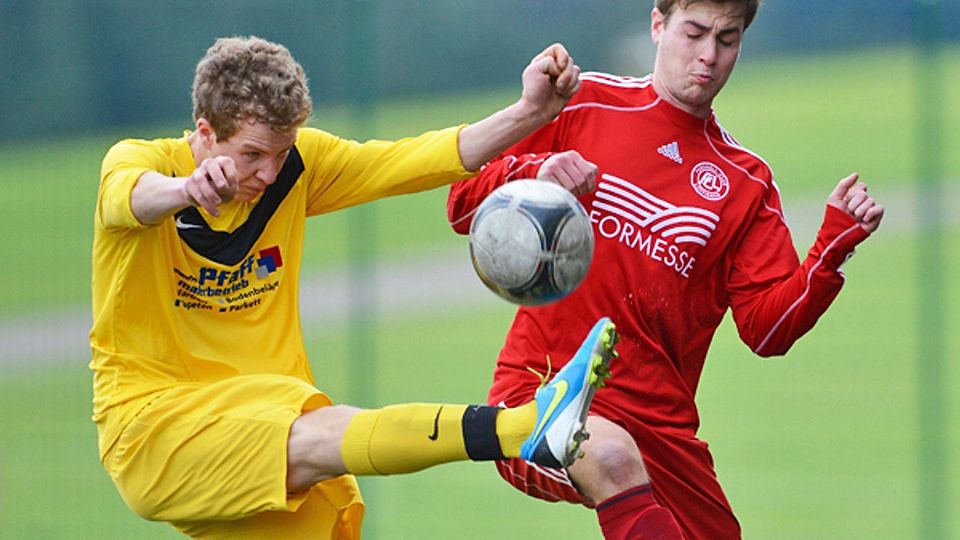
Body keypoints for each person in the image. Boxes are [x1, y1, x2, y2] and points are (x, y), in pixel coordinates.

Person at [89, 36, 621, 539]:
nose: (270, 173)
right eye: (252, 155)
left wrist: (530, 112)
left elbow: (411, 160)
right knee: (330, 433)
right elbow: (127, 198)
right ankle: (526, 428)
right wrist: (186, 189)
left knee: (327, 466)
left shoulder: (294, 168)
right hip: (154, 431)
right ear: (205, 133)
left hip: (261, 413)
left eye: (281, 152)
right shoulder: (143, 165)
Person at [446, 1, 885, 539]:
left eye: (727, 40)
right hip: (545, 393)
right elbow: (463, 205)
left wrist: (830, 251)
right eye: (695, 32)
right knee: (610, 459)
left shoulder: (745, 182)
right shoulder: (585, 104)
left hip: (661, 428)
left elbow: (767, 331)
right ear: (658, 24)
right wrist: (537, 173)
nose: (708, 55)